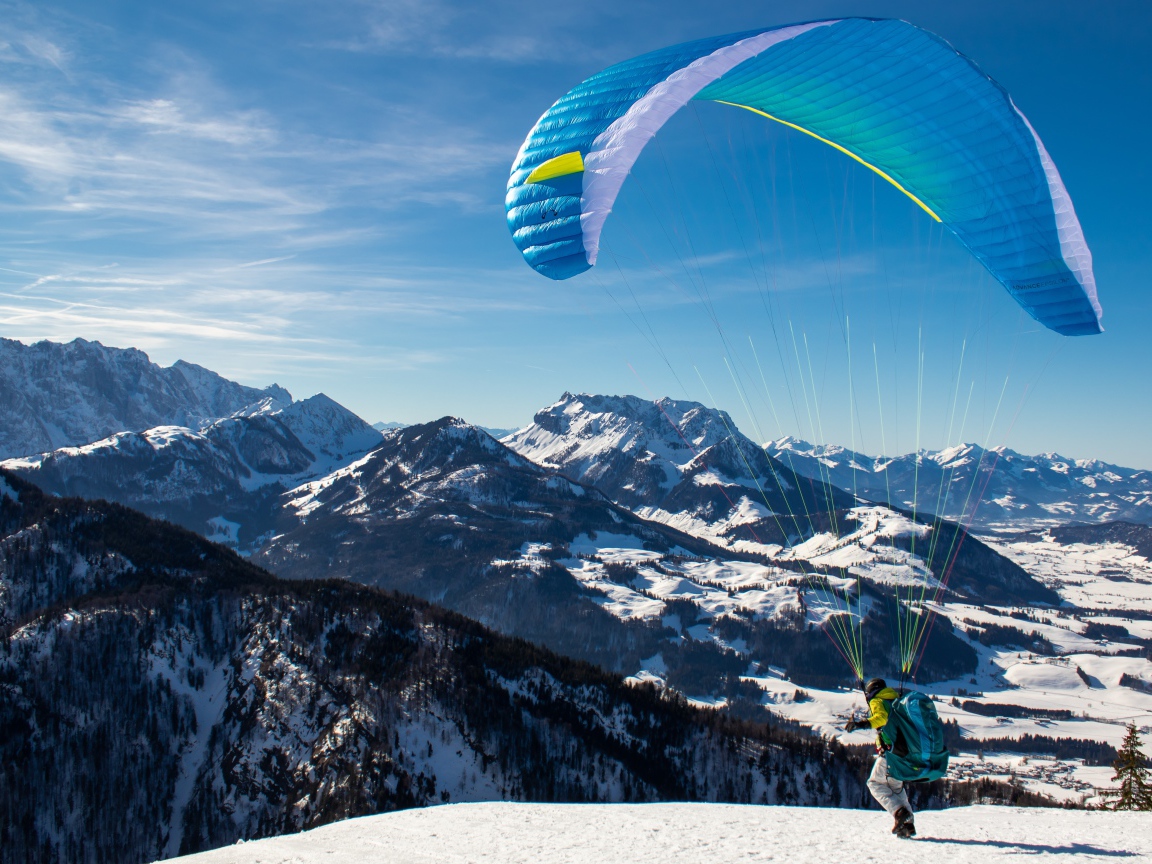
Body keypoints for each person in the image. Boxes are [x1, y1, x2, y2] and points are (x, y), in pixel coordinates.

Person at [845, 677, 916, 838]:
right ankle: (908, 824)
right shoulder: (898, 701)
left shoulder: (877, 701)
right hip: (906, 754)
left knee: (874, 783)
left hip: (891, 754)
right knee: (895, 788)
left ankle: (899, 813)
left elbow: (881, 718)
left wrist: (861, 724)